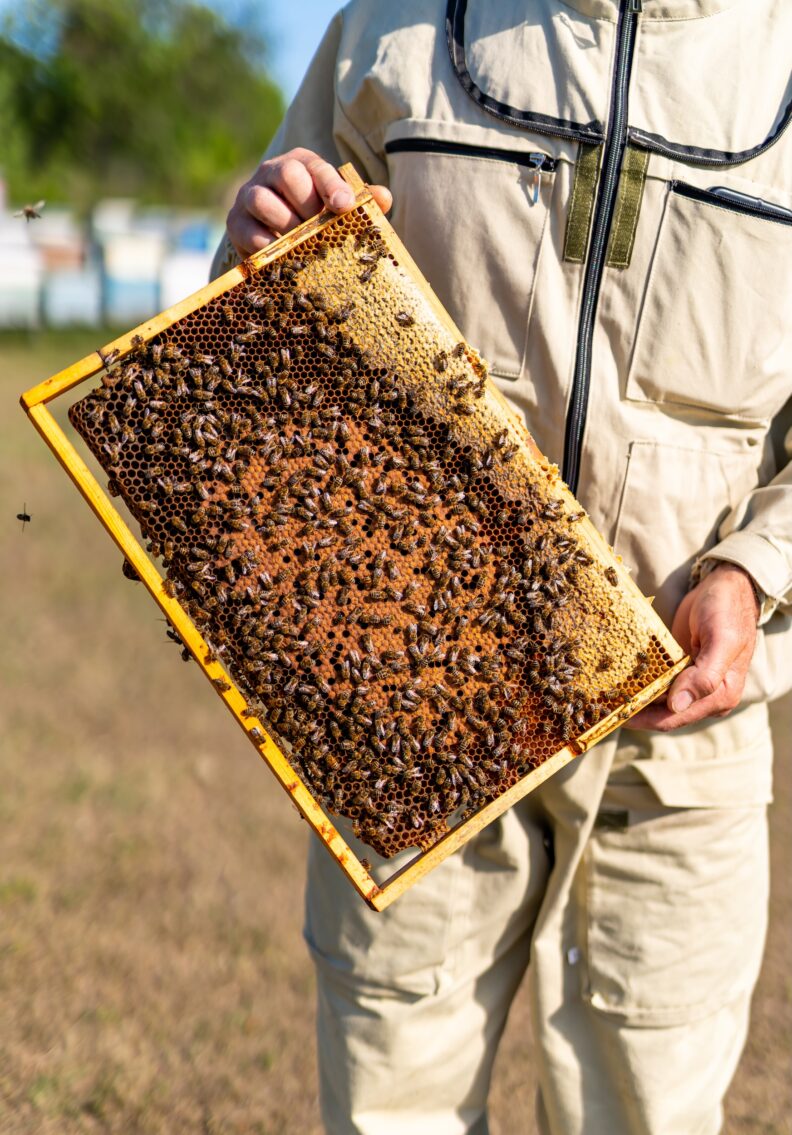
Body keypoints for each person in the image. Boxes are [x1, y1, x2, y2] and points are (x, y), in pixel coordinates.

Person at [212, 3, 792, 1132]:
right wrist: (257, 240)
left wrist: (752, 570)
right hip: (413, 703)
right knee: (395, 1105)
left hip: (675, 747)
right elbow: (259, 316)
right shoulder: (393, 26)